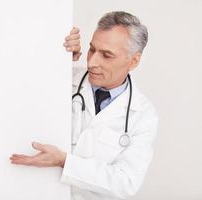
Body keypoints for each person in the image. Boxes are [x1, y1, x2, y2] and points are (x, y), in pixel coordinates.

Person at [9, 11, 158, 200]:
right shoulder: (65, 79)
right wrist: (58, 57)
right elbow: (23, 83)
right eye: (92, 50)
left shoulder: (143, 114)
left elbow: (125, 182)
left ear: (134, 60)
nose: (92, 62)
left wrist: (65, 162)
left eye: (106, 55)